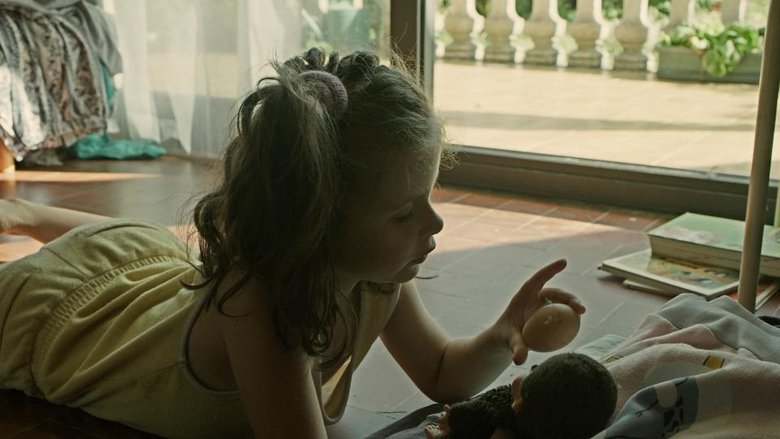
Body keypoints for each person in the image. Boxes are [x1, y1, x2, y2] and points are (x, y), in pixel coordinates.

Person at [0, 48, 585, 438]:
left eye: (429, 197)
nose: (434, 225)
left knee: (146, 253)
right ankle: (24, 214)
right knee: (112, 270)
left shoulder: (377, 272)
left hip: (144, 286)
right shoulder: (263, 303)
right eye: (405, 212)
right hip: (57, 321)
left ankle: (25, 213)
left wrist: (502, 332)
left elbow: (442, 374)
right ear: (319, 221)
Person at [423, 352, 618, 439]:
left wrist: (453, 417)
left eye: (533, 373)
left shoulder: (504, 403)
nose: (533, 367)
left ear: (518, 403)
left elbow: (475, 412)